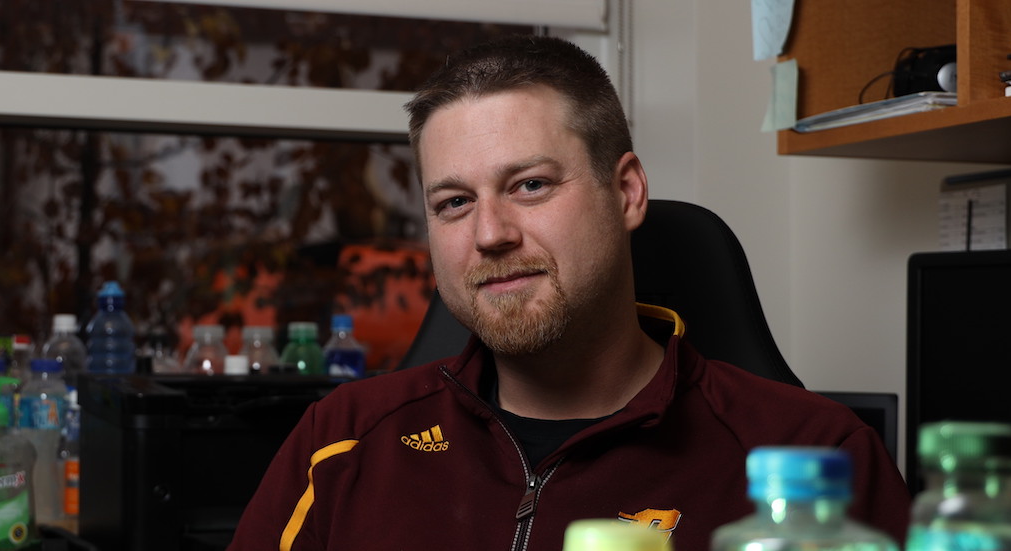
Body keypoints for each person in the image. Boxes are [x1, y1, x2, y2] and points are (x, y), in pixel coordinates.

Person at [228, 35, 909, 551]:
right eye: (455, 201)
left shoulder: (816, 459)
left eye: (530, 185)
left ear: (627, 191)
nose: (490, 233)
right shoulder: (342, 441)